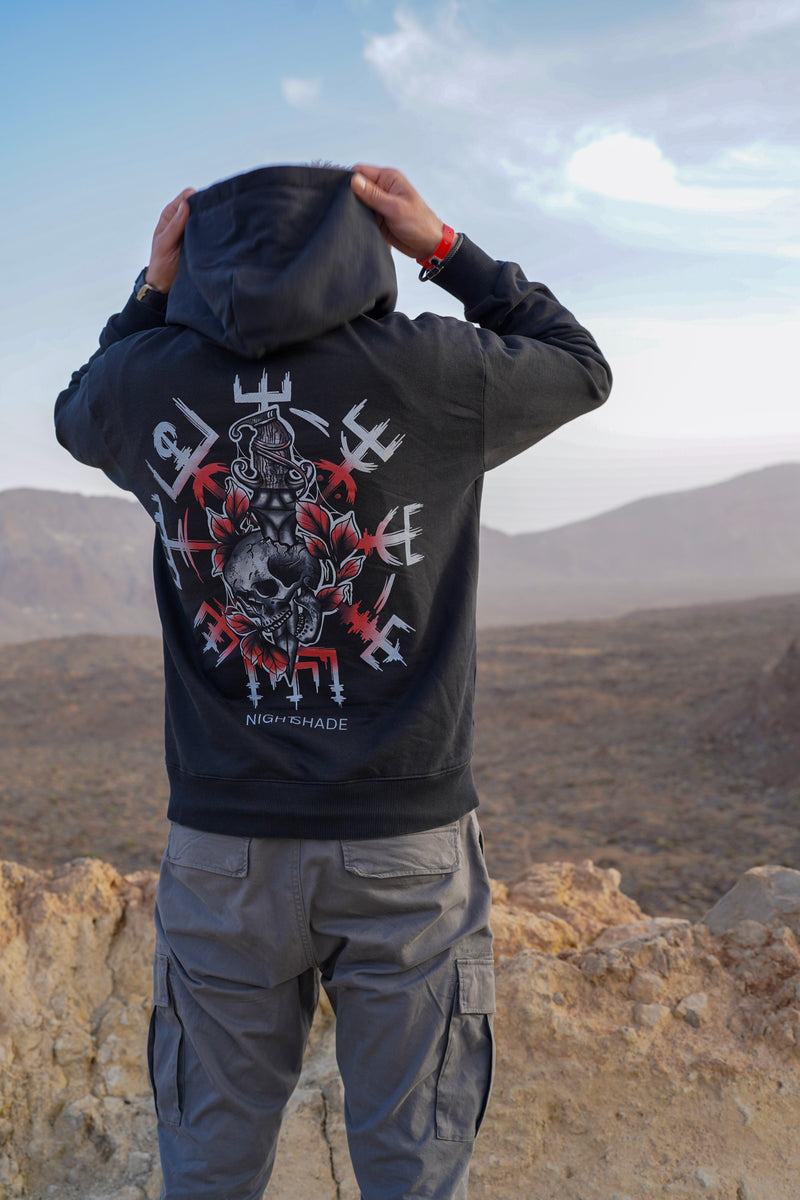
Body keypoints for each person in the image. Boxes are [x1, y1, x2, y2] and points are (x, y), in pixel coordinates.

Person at [55, 163, 611, 1200]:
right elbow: (579, 366)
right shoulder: (431, 369)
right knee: (414, 1168)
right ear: (363, 244)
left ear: (193, 253)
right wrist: (444, 249)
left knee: (208, 1166)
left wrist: (150, 292)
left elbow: (75, 409)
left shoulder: (147, 381)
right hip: (406, 843)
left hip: (224, 846)